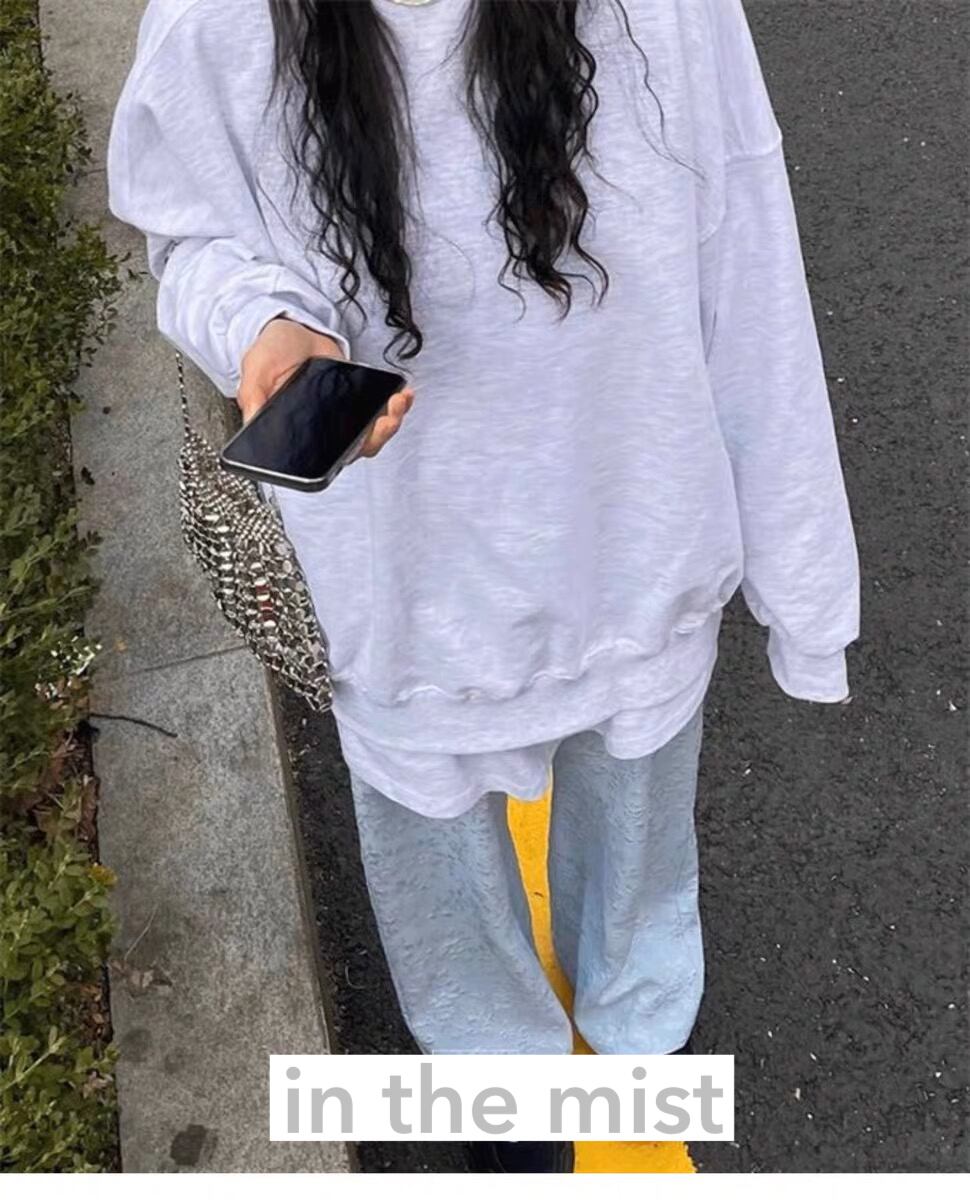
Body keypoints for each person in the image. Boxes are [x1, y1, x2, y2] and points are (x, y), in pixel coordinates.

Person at [107, 0, 861, 1173]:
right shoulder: (222, 17)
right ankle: (497, 1089)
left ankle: (637, 1040)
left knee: (635, 856)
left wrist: (802, 584)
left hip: (639, 542)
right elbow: (189, 226)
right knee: (448, 899)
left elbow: (747, 254)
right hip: (400, 583)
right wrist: (261, 329)